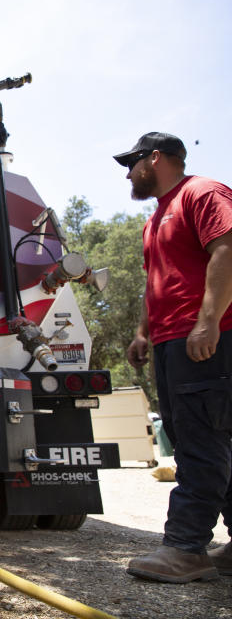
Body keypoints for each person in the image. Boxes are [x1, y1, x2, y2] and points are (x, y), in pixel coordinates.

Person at [116, 132, 232, 583]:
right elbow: (158, 280)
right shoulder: (155, 219)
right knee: (196, 439)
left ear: (156, 158)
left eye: (132, 162)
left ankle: (186, 548)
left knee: (201, 442)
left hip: (204, 338)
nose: (128, 172)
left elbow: (226, 249)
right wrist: (144, 332)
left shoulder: (202, 193)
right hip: (170, 343)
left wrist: (208, 321)